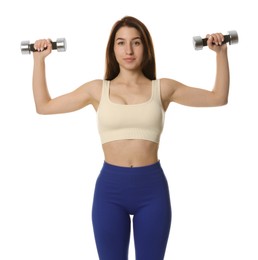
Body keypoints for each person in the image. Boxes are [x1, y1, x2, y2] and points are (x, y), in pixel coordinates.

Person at [32, 16, 229, 260]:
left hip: (152, 191)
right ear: (112, 49)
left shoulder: (163, 88)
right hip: (110, 192)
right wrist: (39, 60)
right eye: (121, 43)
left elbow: (218, 97)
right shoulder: (96, 90)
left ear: (146, 48)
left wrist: (221, 54)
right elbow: (44, 106)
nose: (128, 50)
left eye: (136, 43)